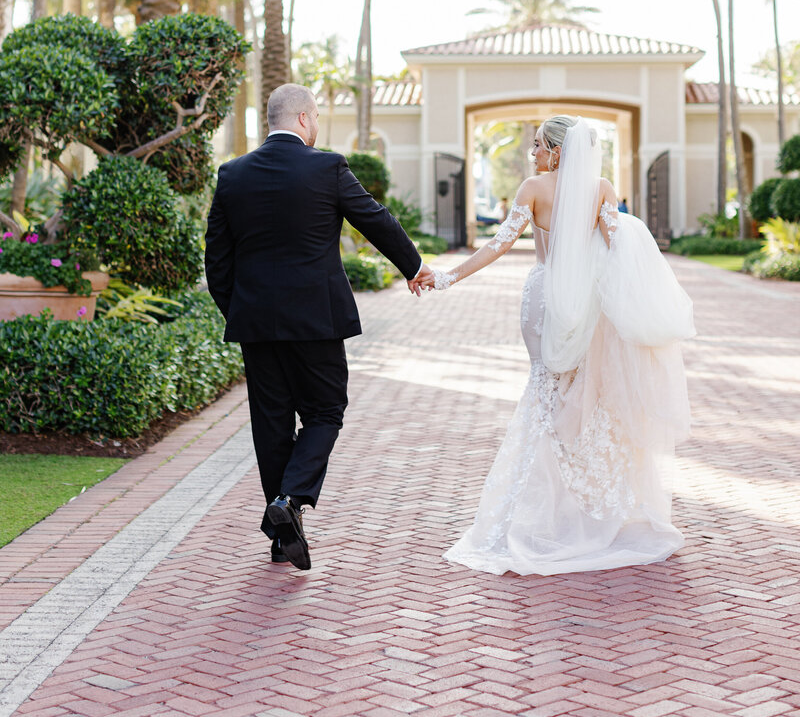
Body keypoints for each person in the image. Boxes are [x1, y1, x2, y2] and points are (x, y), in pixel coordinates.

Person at [414, 115, 693, 576]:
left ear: (558, 152)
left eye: (539, 145)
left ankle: (543, 515)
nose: (533, 152)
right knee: (583, 402)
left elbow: (498, 246)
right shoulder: (601, 188)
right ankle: (584, 514)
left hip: (546, 302)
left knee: (546, 401)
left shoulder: (534, 189)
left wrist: (446, 277)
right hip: (587, 304)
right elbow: (617, 247)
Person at [205, 83, 431, 571]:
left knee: (272, 424)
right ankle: (290, 501)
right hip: (317, 320)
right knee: (326, 412)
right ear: (305, 119)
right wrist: (412, 266)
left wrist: (241, 311)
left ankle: (280, 534)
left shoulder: (232, 174)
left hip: (257, 324)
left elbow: (217, 263)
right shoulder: (326, 167)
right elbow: (375, 220)